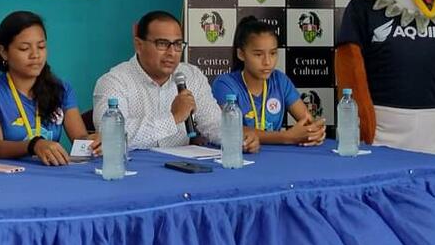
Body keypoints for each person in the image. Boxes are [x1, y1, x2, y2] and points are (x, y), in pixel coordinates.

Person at [93, 10, 259, 152]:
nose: (172, 52)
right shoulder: (114, 81)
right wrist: (173, 118)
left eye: (178, 44)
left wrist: (236, 138)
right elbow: (111, 136)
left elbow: (213, 123)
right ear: (139, 45)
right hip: (133, 172)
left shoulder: (191, 75)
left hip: (182, 170)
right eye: (163, 44)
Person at [0, 11, 92, 166]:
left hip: (52, 177)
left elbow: (80, 139)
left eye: (41, 47)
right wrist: (34, 145)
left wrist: (92, 142)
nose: (35, 55)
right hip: (6, 181)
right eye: (24, 48)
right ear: (3, 52)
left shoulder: (62, 89)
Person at [211, 16, 325, 146]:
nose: (267, 62)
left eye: (273, 53)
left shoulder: (280, 80)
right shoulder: (225, 84)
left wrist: (314, 133)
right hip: (241, 157)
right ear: (241, 54)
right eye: (258, 55)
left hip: (275, 159)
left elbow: (308, 122)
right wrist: (286, 137)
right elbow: (230, 130)